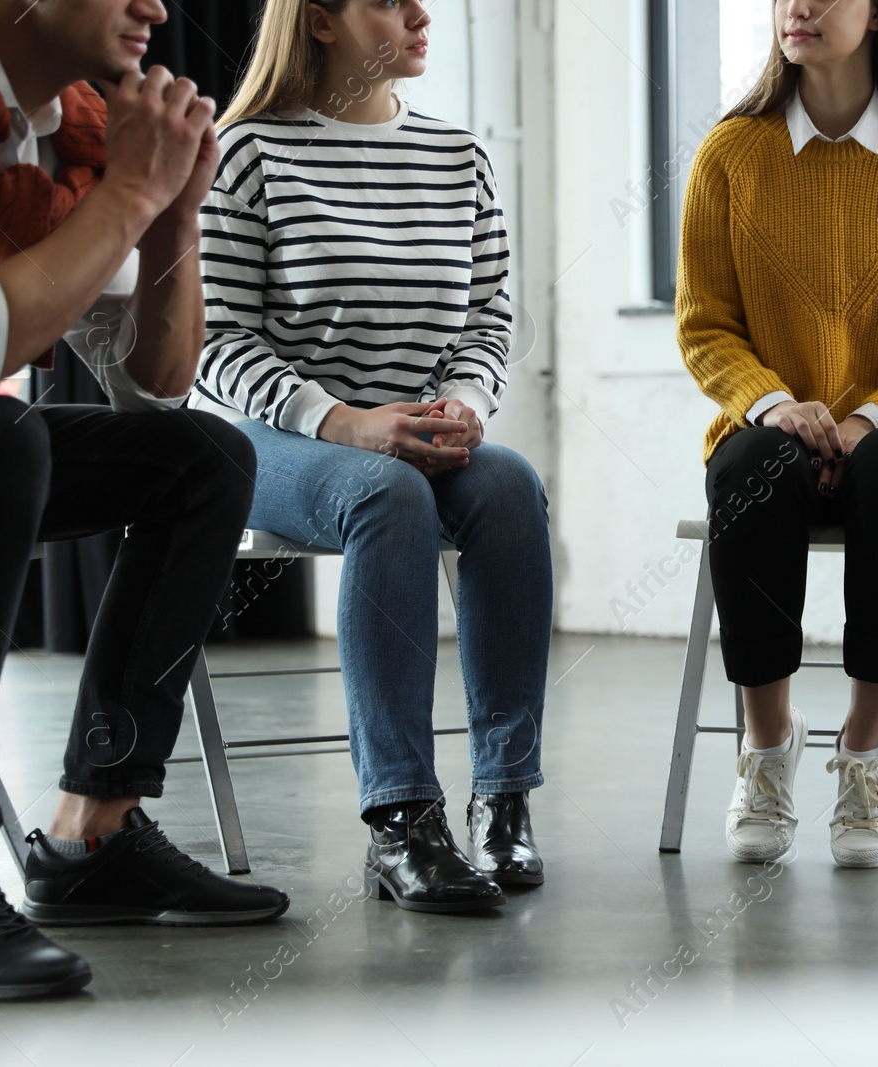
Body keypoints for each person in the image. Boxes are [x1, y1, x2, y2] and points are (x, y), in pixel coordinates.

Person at [0, 0, 290, 1002]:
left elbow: (151, 389)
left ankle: (93, 833)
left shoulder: (64, 129)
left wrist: (175, 212)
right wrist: (129, 190)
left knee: (200, 455)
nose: (156, 6)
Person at [196, 0, 550, 911]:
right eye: (391, 1)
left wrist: (465, 407)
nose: (422, 13)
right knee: (387, 495)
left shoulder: (456, 157)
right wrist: (345, 420)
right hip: (272, 440)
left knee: (510, 485)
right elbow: (215, 339)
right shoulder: (248, 154)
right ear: (319, 20)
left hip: (414, 433)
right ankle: (402, 821)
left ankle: (502, 798)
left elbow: (489, 318)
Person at [677, 0, 878, 869]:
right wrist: (775, 402)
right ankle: (769, 745)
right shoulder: (730, 154)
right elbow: (705, 324)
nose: (800, 7)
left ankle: (866, 748)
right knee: (750, 461)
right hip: (780, 428)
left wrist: (871, 415)